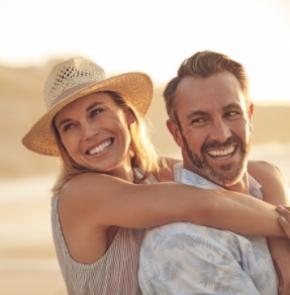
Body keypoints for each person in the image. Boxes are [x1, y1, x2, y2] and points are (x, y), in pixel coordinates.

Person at [22, 56, 290, 295]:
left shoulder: (146, 174)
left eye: (97, 112)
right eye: (70, 127)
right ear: (62, 144)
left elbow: (264, 171)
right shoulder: (79, 194)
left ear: (127, 114)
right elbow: (207, 204)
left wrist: (282, 249)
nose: (89, 132)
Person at [138, 51, 290, 295]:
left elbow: (267, 171)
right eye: (200, 120)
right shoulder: (181, 244)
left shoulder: (262, 190)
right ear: (176, 132)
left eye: (231, 113)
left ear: (249, 116)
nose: (221, 134)